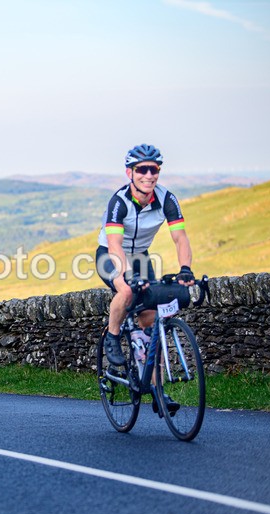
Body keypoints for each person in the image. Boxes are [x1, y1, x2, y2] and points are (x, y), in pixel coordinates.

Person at [96, 144, 195, 414]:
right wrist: (126, 275)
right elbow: (115, 244)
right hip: (110, 254)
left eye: (155, 169)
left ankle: (157, 390)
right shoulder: (120, 201)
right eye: (142, 169)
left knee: (150, 321)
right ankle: (113, 338)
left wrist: (185, 268)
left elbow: (180, 237)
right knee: (126, 292)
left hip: (140, 255)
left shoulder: (166, 199)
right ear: (130, 172)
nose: (149, 175)